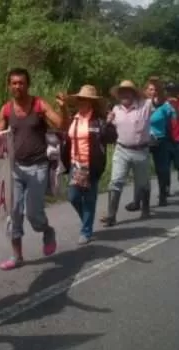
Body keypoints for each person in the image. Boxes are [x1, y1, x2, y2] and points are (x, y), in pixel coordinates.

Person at [0, 68, 68, 270]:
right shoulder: (6, 110)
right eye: (14, 83)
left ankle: (46, 230)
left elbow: (62, 124)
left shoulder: (39, 105)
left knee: (33, 213)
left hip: (38, 167)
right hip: (15, 169)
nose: (18, 86)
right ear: (9, 86)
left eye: (21, 82)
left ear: (28, 84)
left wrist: (63, 108)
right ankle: (17, 256)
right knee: (14, 212)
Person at [63, 85, 115, 245]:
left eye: (84, 100)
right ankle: (87, 220)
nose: (81, 102)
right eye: (79, 99)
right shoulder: (74, 118)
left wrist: (109, 124)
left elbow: (111, 138)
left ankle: (86, 230)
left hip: (92, 164)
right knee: (73, 197)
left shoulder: (98, 121)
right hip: (75, 164)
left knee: (89, 198)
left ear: (91, 103)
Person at [102, 80, 153, 225]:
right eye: (122, 92)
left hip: (141, 150)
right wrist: (108, 121)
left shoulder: (145, 106)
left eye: (127, 91)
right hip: (122, 150)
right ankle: (111, 216)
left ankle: (145, 209)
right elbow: (109, 131)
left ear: (133, 93)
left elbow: (158, 97)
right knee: (115, 181)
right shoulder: (116, 109)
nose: (124, 94)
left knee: (142, 183)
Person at [146, 78, 176, 206]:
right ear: (146, 91)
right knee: (143, 170)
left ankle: (163, 195)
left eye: (155, 89)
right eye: (150, 89)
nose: (153, 92)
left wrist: (173, 107)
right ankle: (141, 200)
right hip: (145, 141)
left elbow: (175, 117)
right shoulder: (143, 104)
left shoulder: (165, 104)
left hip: (160, 140)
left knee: (162, 170)